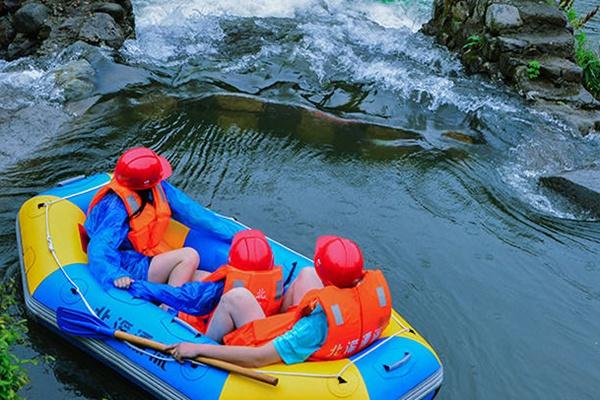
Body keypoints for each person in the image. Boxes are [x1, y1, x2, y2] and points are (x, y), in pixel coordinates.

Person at [167, 236, 392, 368]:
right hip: (320, 329)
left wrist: (197, 349)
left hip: (272, 345)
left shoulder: (313, 327)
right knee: (307, 273)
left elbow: (258, 358)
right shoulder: (372, 293)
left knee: (236, 298)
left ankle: (206, 339)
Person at [85, 147, 234, 290]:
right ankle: (170, 306)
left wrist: (233, 235)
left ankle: (175, 304)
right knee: (189, 255)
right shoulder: (116, 207)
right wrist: (115, 274)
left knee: (208, 279)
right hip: (128, 263)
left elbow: (192, 213)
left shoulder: (157, 187)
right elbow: (100, 246)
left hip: (151, 256)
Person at [178, 229, 285, 337]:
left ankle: (166, 309)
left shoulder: (229, 288)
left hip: (225, 337)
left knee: (197, 281)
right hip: (265, 322)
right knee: (199, 275)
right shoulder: (273, 282)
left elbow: (201, 302)